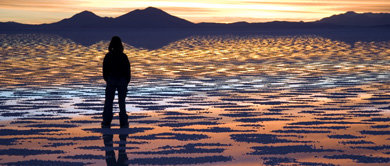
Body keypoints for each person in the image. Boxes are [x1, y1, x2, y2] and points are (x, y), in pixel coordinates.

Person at [102, 36, 131, 128]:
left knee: (109, 102)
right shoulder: (123, 56)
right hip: (122, 80)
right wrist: (126, 81)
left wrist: (108, 79)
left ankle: (106, 121)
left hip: (112, 80)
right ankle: (123, 121)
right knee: (121, 102)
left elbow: (104, 70)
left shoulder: (108, 56)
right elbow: (128, 70)